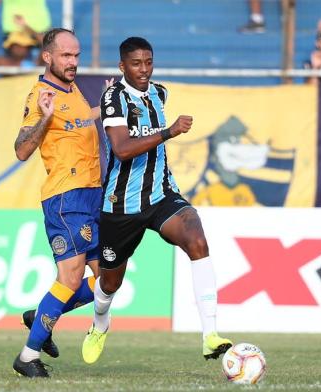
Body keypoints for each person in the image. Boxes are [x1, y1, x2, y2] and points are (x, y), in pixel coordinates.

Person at [81, 36, 233, 365]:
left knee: (196, 239)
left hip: (161, 195)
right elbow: (121, 149)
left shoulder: (159, 93)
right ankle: (99, 325)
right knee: (108, 284)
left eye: (148, 62)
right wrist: (169, 131)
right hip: (120, 205)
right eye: (136, 64)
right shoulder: (114, 98)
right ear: (122, 67)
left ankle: (210, 336)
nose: (144, 69)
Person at [12, 27, 104, 378]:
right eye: (67, 55)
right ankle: (27, 355)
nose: (74, 62)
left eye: (77, 56)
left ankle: (40, 316)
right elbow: (21, 149)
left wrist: (105, 105)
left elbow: (79, 121)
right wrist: (46, 117)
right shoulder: (41, 94)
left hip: (92, 194)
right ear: (48, 57)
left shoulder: (73, 89)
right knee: (69, 277)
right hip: (66, 197)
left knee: (107, 279)